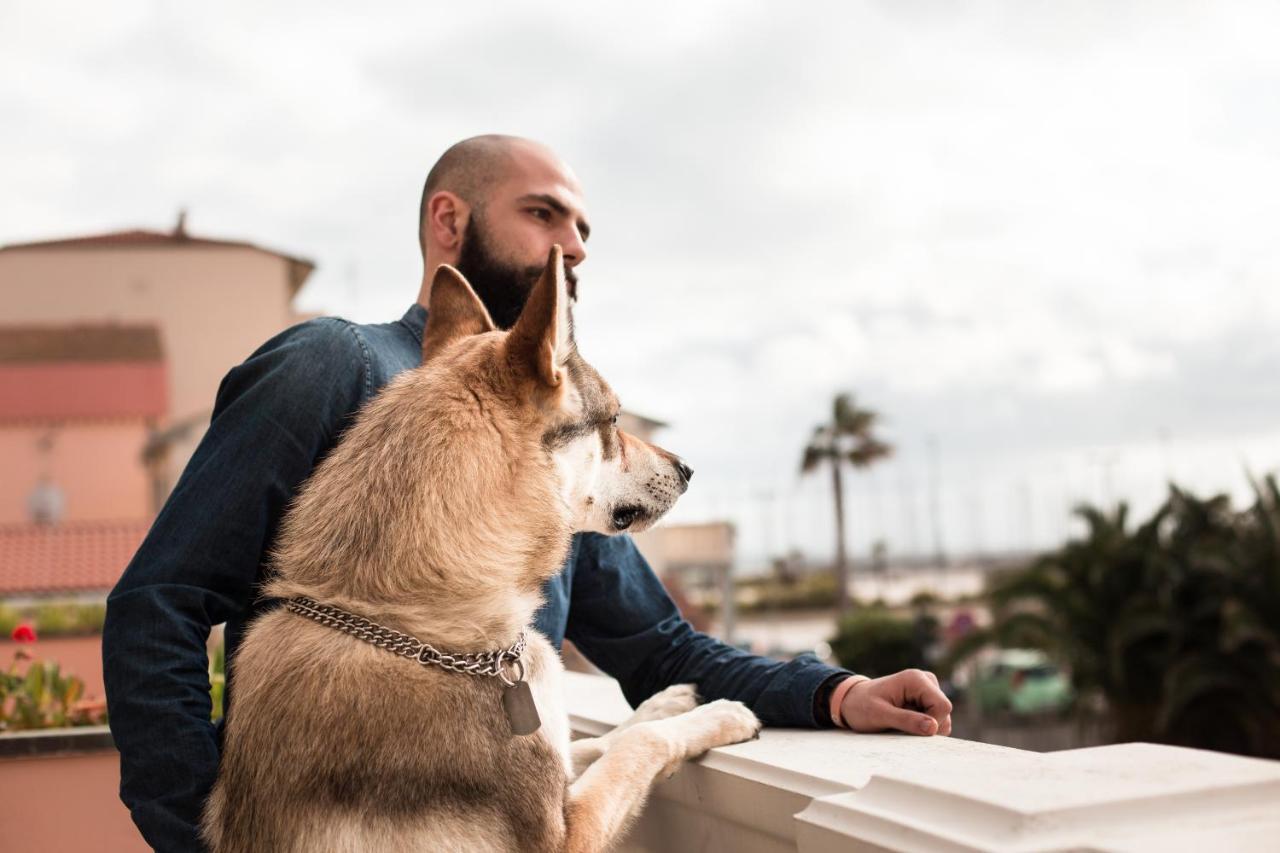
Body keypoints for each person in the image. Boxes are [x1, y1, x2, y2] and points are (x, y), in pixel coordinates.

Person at [103, 134, 952, 852]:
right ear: (449, 219)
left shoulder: (550, 449)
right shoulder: (334, 365)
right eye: (544, 214)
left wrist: (836, 693)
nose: (574, 247)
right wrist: (204, 834)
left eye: (582, 228)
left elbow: (660, 649)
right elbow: (161, 601)